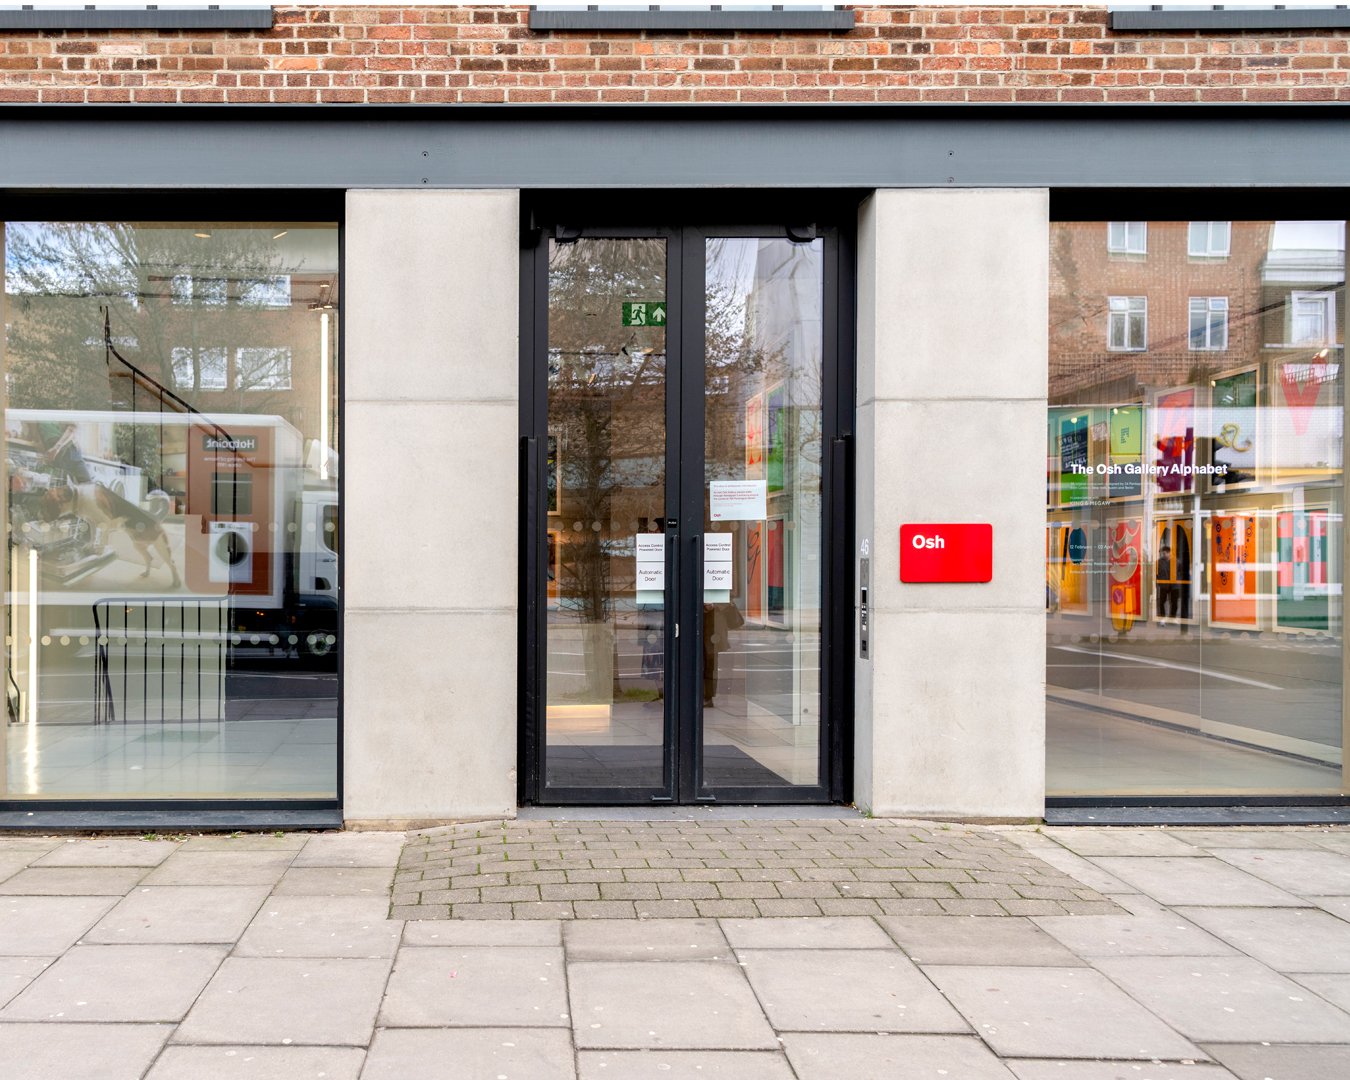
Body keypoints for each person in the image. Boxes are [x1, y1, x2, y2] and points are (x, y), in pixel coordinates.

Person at [35, 420, 93, 485]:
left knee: (88, 485)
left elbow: (73, 427)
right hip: (55, 452)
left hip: (71, 449)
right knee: (58, 487)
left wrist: (56, 447)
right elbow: (34, 435)